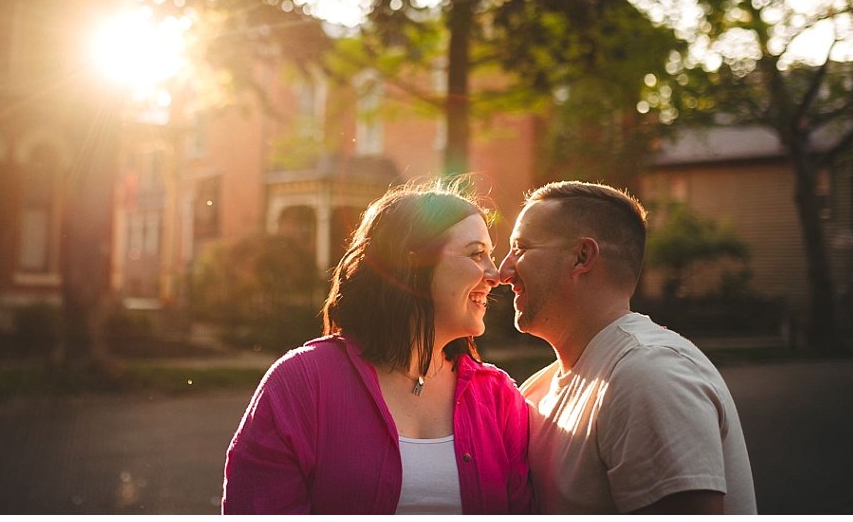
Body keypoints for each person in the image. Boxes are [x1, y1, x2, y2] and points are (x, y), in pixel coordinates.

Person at [221, 181, 533, 514]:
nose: (494, 274)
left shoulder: (497, 396)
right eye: (476, 254)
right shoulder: (302, 383)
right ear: (412, 264)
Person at [498, 180, 757, 514]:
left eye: (520, 248)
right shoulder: (538, 390)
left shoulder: (648, 374)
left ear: (582, 256)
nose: (503, 271)